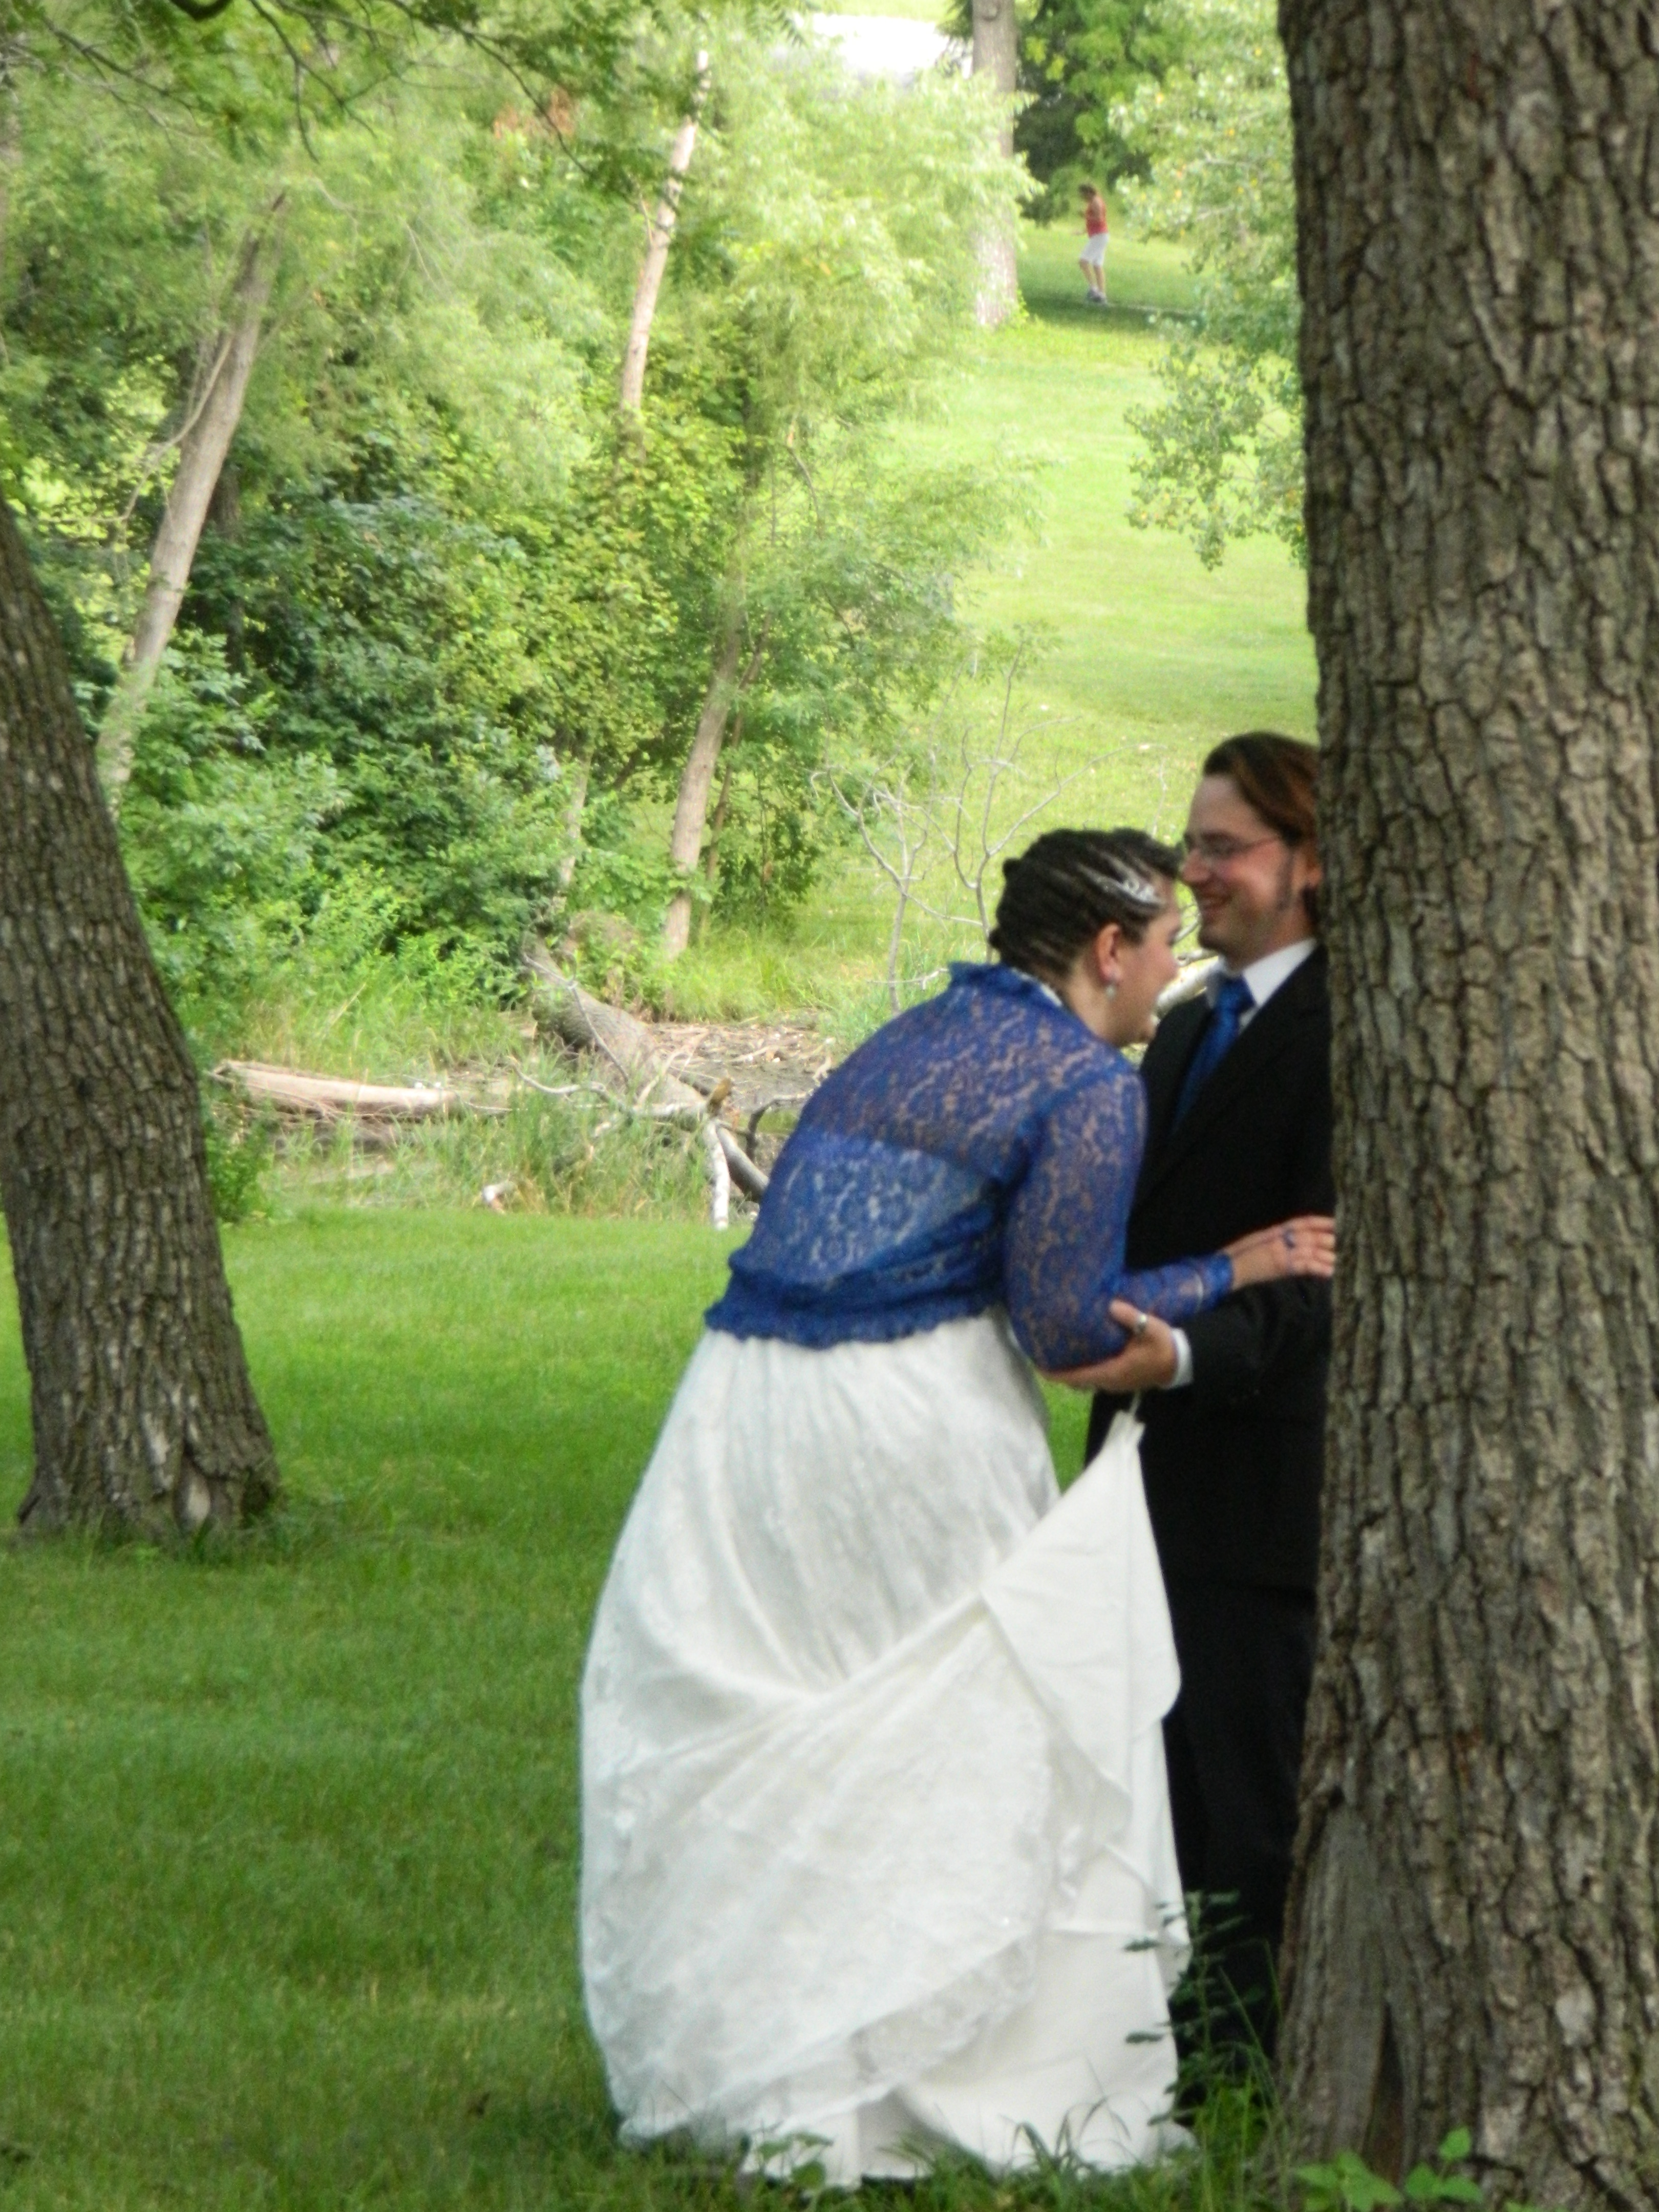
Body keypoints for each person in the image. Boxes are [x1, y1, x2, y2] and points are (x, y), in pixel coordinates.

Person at [580, 828, 1334, 2185]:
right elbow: (1064, 1331)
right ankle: (947, 2076)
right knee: (955, 1728)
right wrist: (1241, 1263)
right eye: (1163, 943)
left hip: (740, 1414)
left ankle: (783, 2064)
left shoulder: (905, 1041)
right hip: (906, 1425)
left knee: (822, 1721)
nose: (1173, 969)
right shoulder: (1086, 1086)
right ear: (1106, 949)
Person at [1081, 735, 1331, 2071]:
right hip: (1135, 1471)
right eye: (1193, 846)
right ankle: (1147, 2054)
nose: (1197, 873)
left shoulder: (1354, 1030)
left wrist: (1181, 1359)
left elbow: (1333, 1274)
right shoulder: (1180, 1028)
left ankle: (1240, 2078)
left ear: (1312, 861)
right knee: (1141, 1786)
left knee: (1245, 1804)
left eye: (1226, 848)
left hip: (1261, 1490)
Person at [1079, 183, 1109, 305]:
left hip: (1099, 236)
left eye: (1083, 195)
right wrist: (1083, 231)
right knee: (1097, 265)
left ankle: (1094, 289)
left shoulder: (1096, 202)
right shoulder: (1093, 202)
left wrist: (1085, 216)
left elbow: (1099, 219)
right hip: (1099, 235)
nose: (1083, 198)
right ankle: (1102, 294)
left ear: (1089, 192)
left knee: (1083, 261)